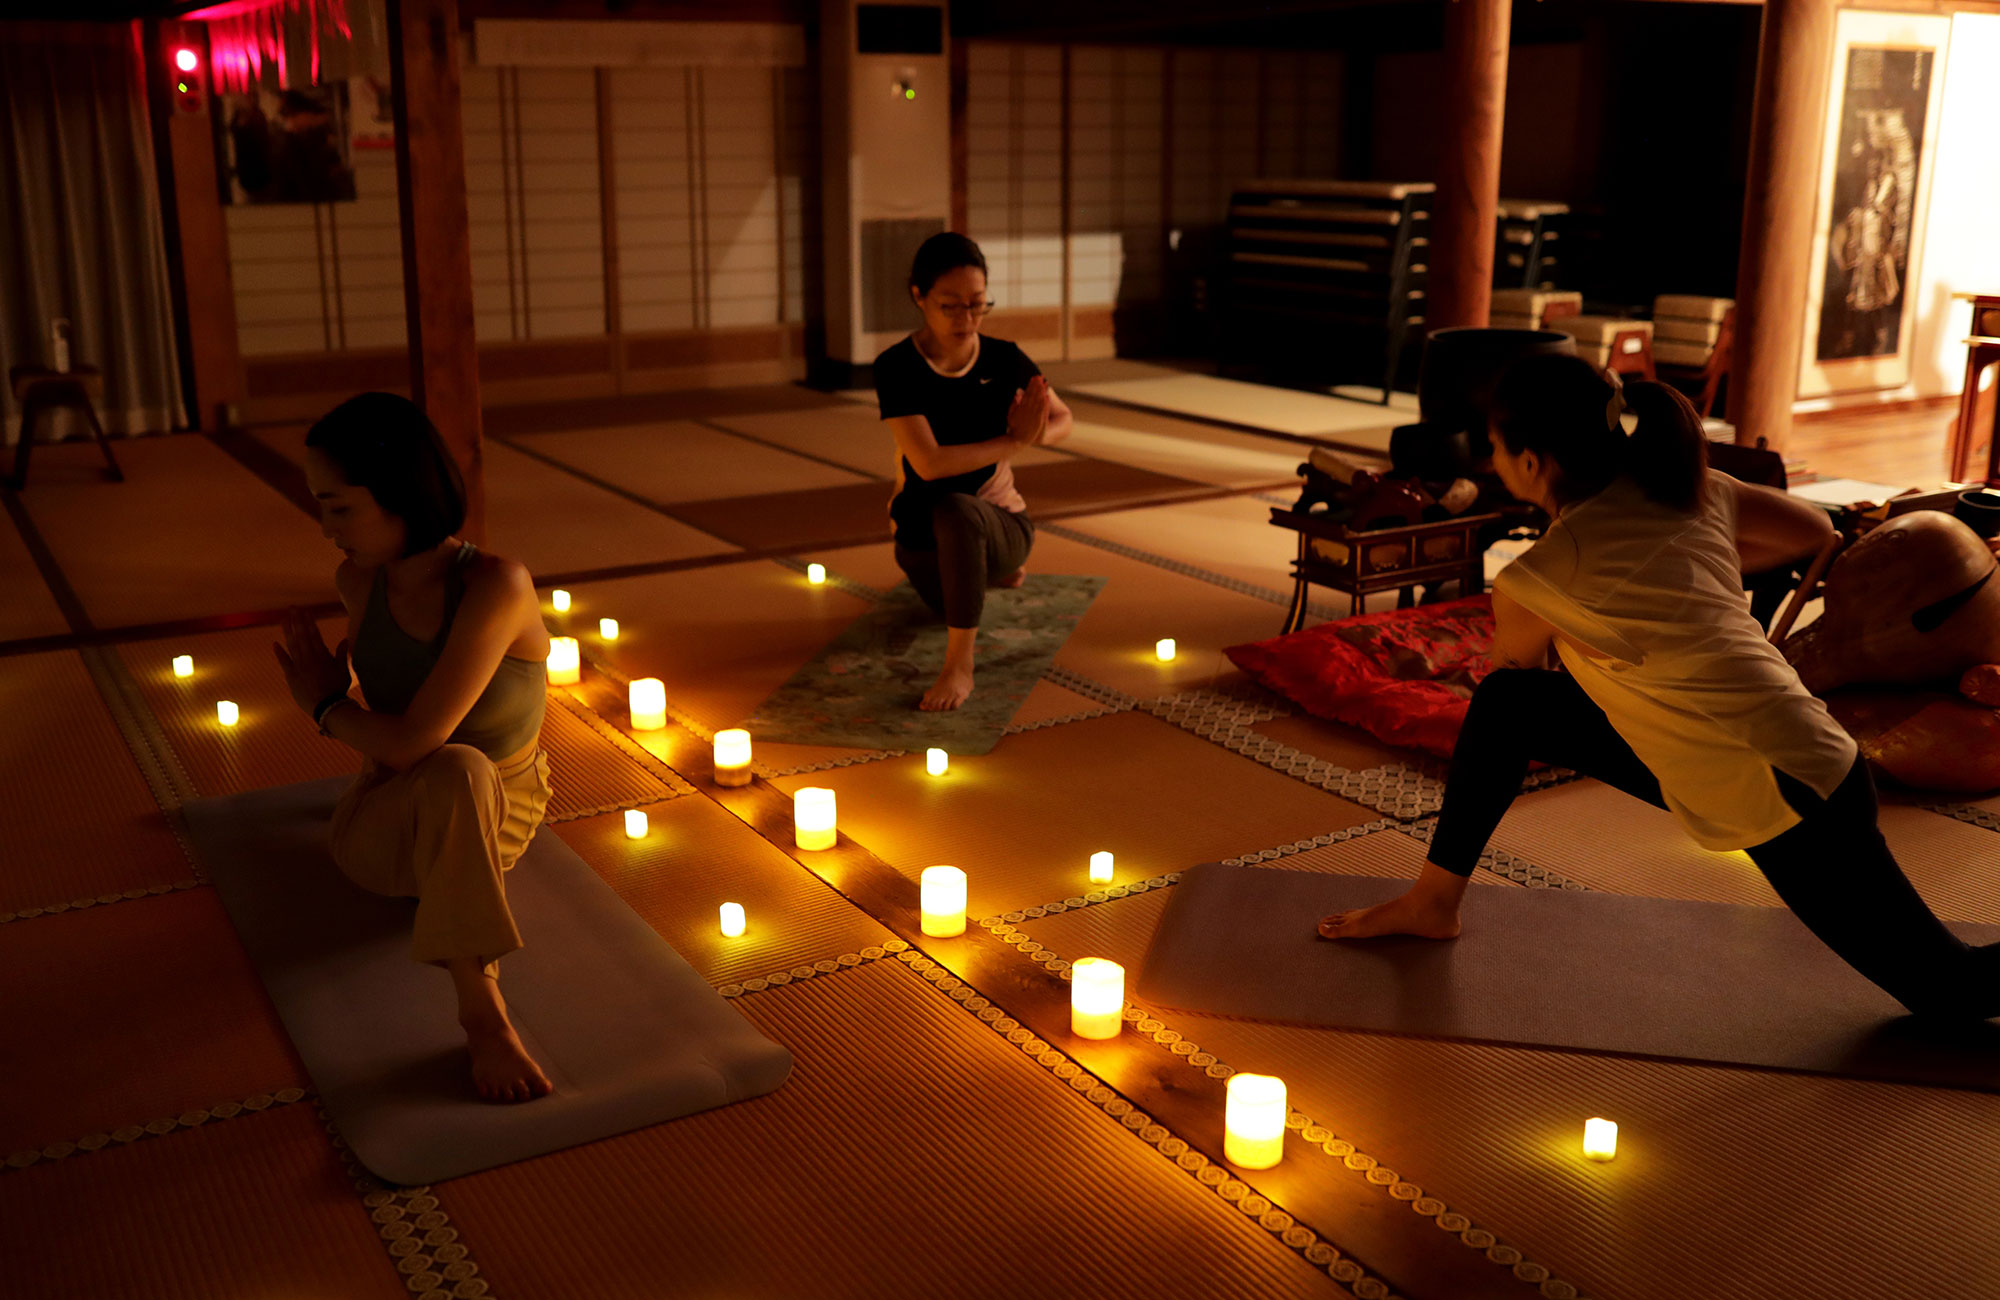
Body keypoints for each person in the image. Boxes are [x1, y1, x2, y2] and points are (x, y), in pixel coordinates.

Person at [1320, 354, 1999, 1021]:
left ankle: (1433, 902)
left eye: (1495, 448)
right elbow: (1815, 529)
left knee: (1952, 993)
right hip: (1786, 756)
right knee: (1511, 709)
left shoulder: (1539, 577)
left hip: (1788, 789)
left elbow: (1513, 661)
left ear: (1532, 462)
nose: (1491, 462)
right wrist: (1702, 582)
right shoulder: (1694, 492)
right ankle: (1433, 902)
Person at [273, 392, 557, 1102]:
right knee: (450, 769)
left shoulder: (496, 586)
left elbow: (412, 742)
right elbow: (397, 755)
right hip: (381, 826)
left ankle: (481, 1015)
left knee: (458, 766)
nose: (323, 527)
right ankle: (485, 1012)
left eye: (340, 507)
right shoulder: (356, 583)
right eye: (319, 504)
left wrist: (326, 705)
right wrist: (345, 714)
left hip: (501, 815)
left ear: (401, 495)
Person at [874, 233, 1074, 710]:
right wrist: (1013, 441)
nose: (967, 319)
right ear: (919, 297)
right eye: (951, 306)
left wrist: (1038, 432)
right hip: (919, 539)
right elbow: (930, 462)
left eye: (978, 305)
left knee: (961, 511)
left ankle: (959, 666)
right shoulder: (897, 367)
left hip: (1000, 521)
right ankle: (981, 575)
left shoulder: (1005, 359)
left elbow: (1064, 419)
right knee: (947, 580)